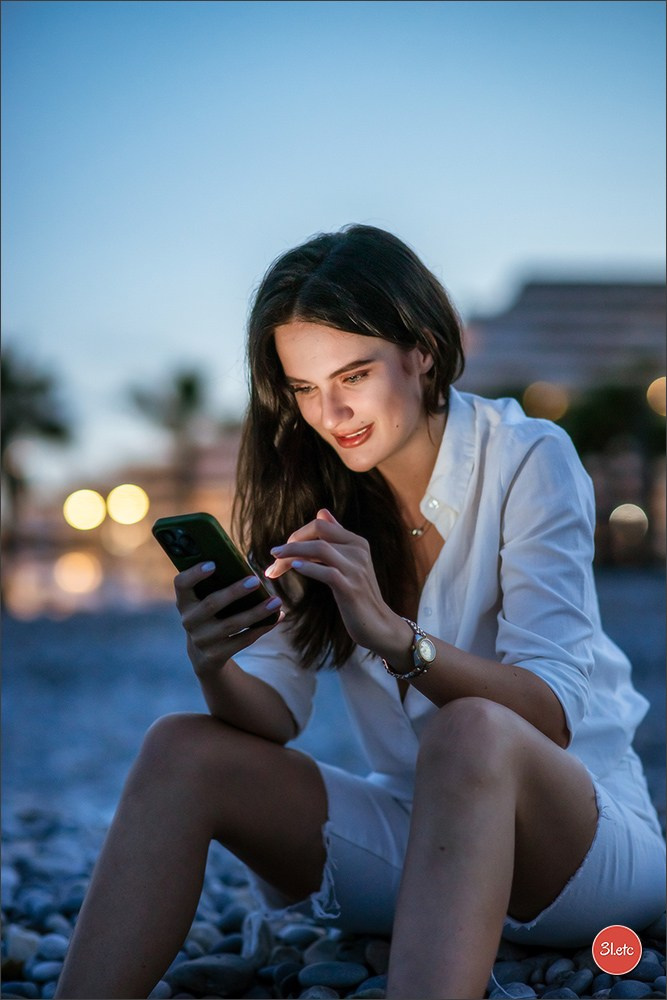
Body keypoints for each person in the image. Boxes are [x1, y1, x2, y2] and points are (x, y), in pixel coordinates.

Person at [56, 225, 665, 1000]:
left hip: (576, 850)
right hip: (418, 843)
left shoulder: (526, 457)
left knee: (470, 729)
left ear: (421, 352)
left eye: (353, 374)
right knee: (179, 745)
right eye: (304, 388)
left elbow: (549, 714)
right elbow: (273, 717)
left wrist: (397, 639)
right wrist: (214, 662)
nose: (331, 411)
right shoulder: (314, 495)